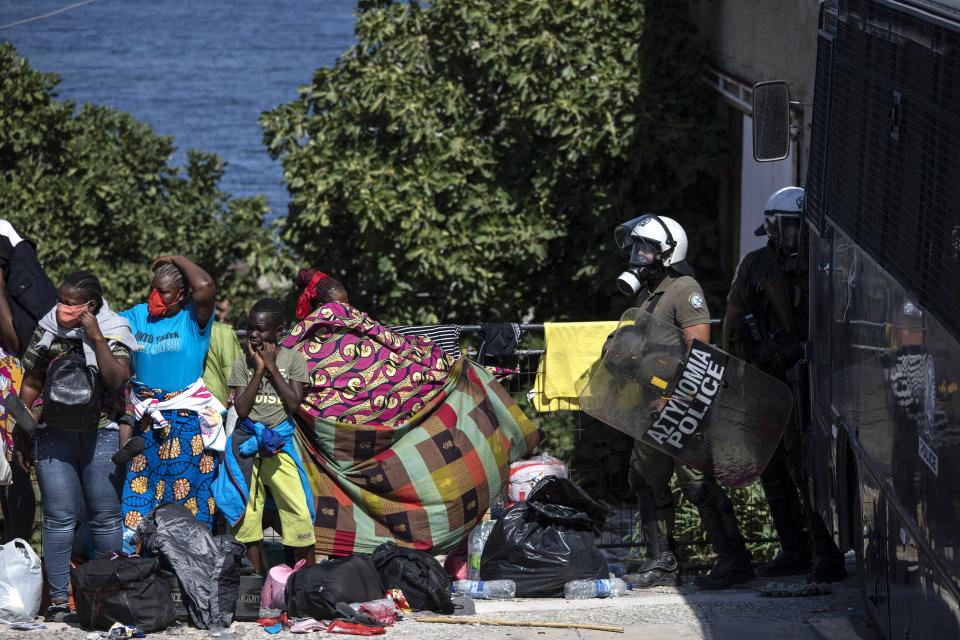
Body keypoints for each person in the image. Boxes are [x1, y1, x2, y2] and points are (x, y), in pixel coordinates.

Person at [614, 214, 754, 590]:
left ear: (668, 253)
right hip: (650, 404)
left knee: (695, 483)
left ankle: (734, 560)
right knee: (644, 479)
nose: (638, 253)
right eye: (636, 246)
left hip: (681, 404)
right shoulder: (648, 291)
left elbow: (701, 353)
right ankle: (661, 562)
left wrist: (679, 399)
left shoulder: (683, 288)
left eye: (646, 248)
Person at [722, 187, 846, 583]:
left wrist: (803, 346)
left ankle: (826, 552)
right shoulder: (756, 265)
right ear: (772, 226)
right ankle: (795, 548)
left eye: (797, 227)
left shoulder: (822, 265)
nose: (791, 235)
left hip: (808, 377)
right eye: (785, 227)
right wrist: (737, 374)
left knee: (804, 464)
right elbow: (732, 320)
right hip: (764, 378)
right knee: (772, 466)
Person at [16, 271, 136, 620]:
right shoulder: (47, 329)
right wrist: (22, 438)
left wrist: (94, 335)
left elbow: (117, 379)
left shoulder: (115, 330)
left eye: (71, 303)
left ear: (91, 306)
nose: (62, 308)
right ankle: (58, 600)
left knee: (104, 516)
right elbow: (32, 383)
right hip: (53, 434)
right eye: (61, 300)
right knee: (58, 517)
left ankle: (105, 597)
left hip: (101, 433)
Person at [118, 256, 224, 552]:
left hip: (186, 422)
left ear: (180, 295)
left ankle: (190, 566)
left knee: (188, 500)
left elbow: (205, 285)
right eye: (153, 289)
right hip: (146, 423)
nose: (155, 296)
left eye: (163, 292)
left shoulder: (193, 319)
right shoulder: (136, 317)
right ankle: (134, 566)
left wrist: (175, 259)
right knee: (138, 497)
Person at [213, 298, 315, 574]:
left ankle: (301, 581)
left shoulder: (293, 360)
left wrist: (272, 366)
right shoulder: (241, 363)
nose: (254, 334)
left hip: (280, 444)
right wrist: (259, 369)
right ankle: (255, 583)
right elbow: (242, 410)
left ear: (278, 332)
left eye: (260, 329)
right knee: (248, 514)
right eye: (250, 328)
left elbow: (293, 404)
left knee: (298, 512)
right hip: (248, 445)